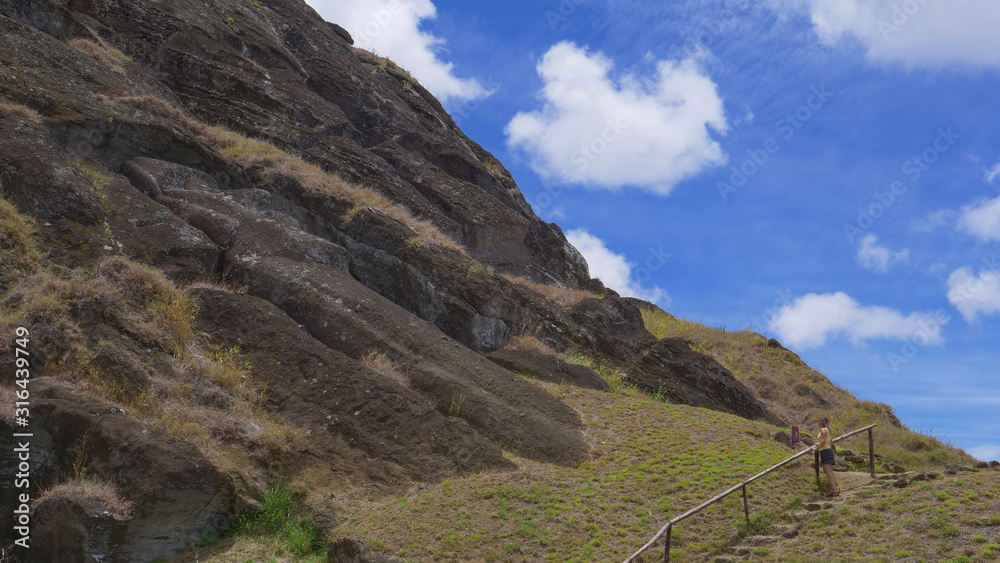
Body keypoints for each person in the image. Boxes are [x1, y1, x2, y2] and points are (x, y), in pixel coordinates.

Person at [810, 417, 840, 497]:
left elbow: (823, 441)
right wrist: (819, 444)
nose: (818, 422)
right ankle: (832, 489)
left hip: (825, 452)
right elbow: (830, 443)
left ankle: (834, 489)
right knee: (830, 471)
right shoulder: (828, 430)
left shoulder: (823, 430)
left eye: (819, 421)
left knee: (827, 471)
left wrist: (816, 448)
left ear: (822, 421)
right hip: (829, 450)